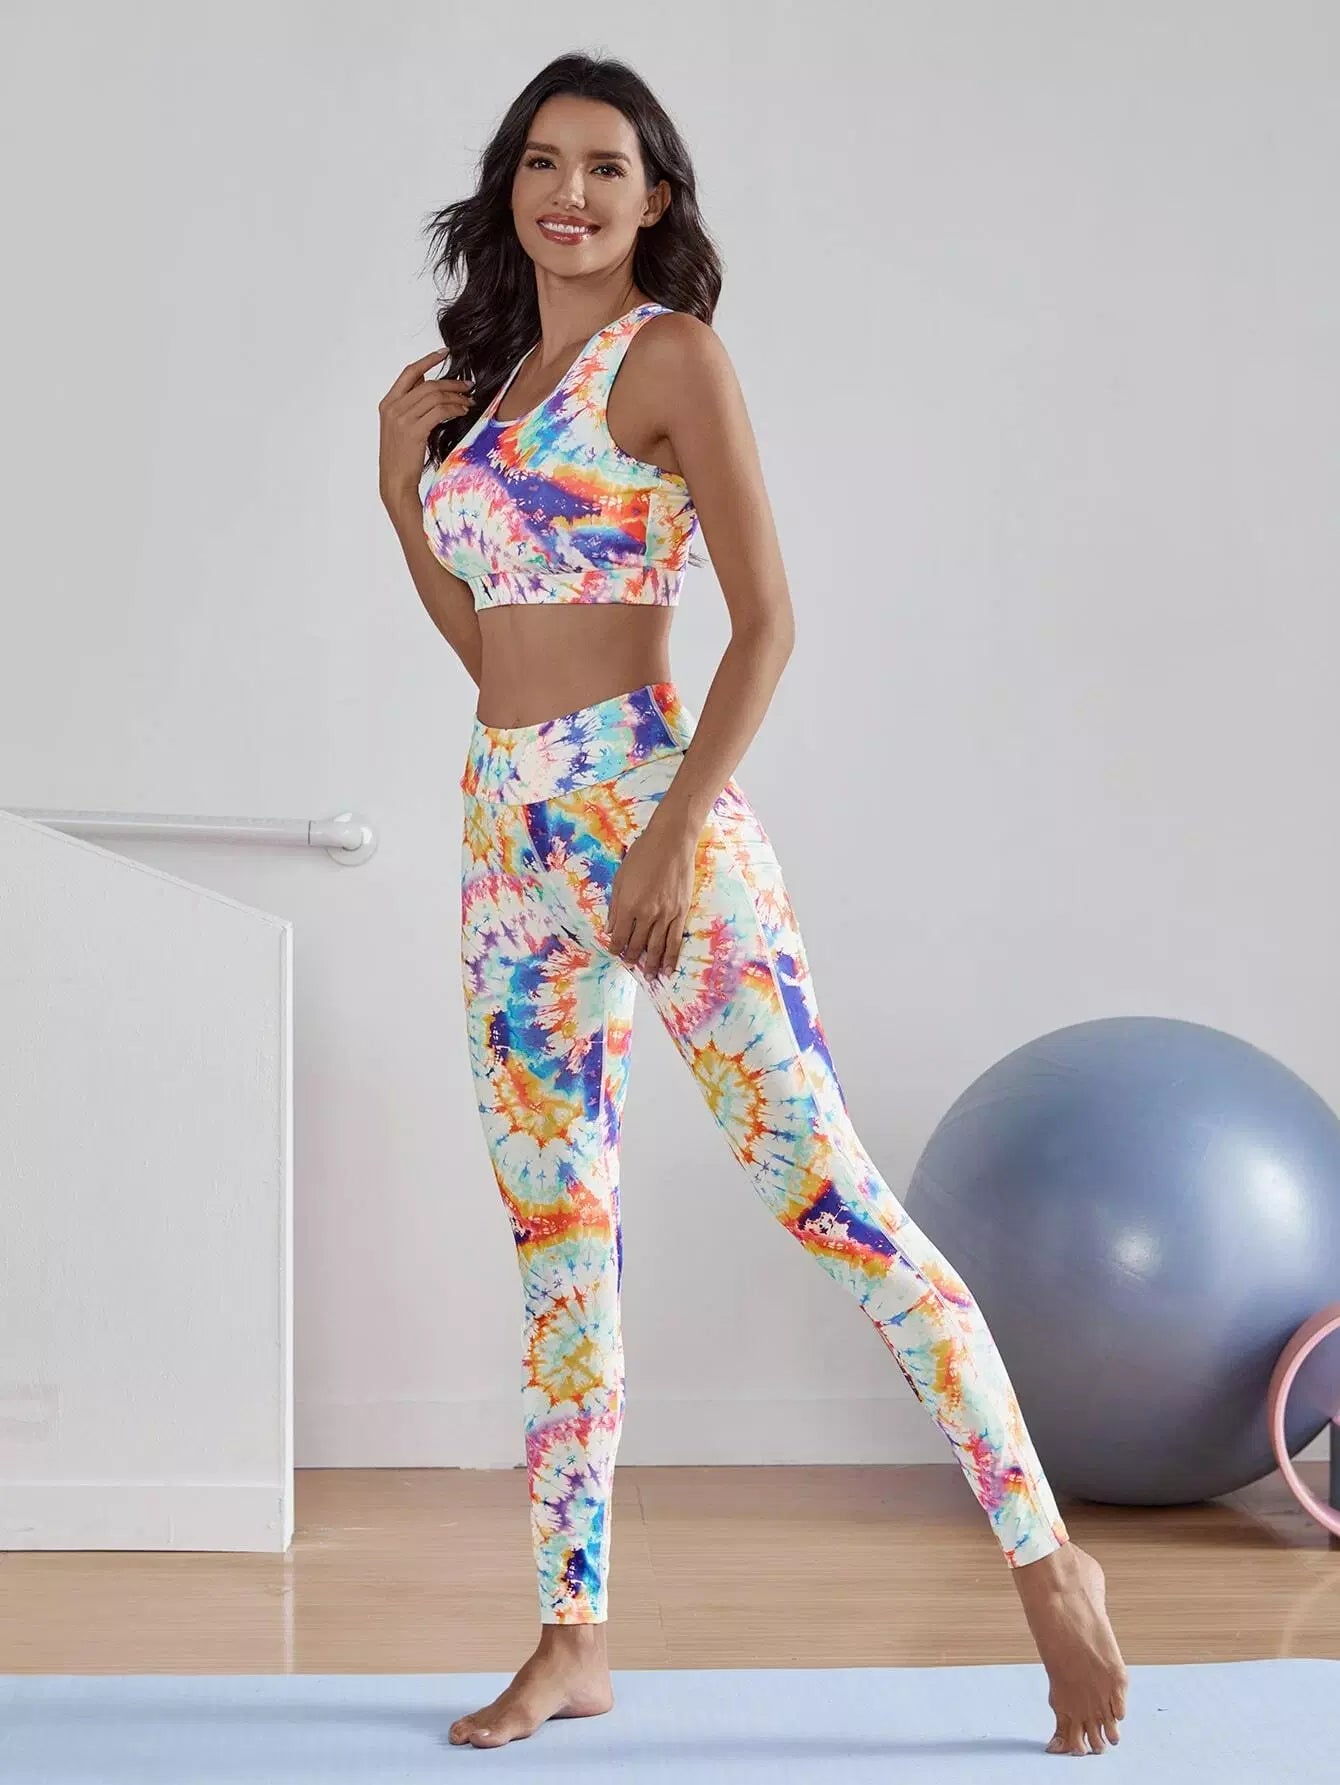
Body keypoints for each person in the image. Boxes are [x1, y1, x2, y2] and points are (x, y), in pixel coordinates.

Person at [377, 51, 1128, 1761]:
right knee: (559, 1245)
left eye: (606, 167)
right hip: (506, 844)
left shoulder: (670, 357)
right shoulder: (495, 385)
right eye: (543, 162)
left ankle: (1047, 1559)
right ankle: (573, 1637)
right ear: (511, 186)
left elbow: (768, 620)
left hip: (655, 826)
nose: (570, 192)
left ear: (653, 198)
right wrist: (397, 494)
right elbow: (491, 648)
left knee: (835, 1202)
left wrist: (666, 839)